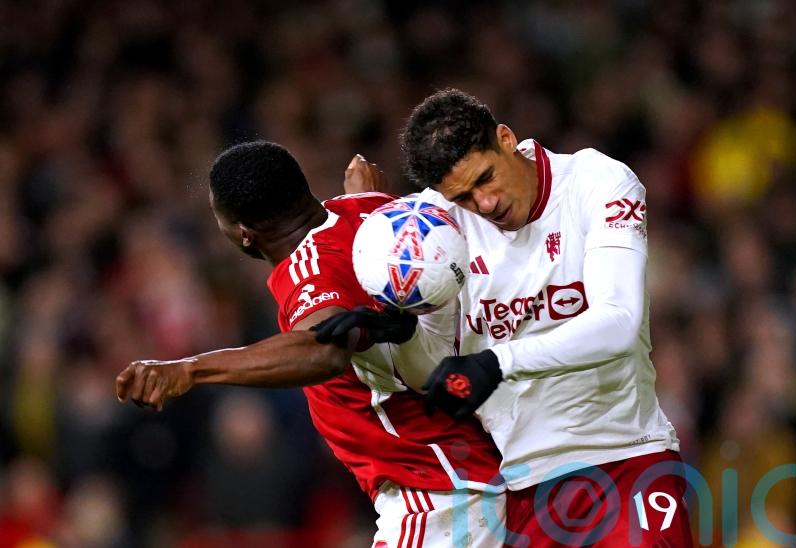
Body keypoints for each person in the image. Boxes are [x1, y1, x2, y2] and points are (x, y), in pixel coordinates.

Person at [317, 89, 694, 547]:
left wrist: (497, 362)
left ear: (506, 137)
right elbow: (437, 377)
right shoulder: (438, 230)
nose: (486, 204)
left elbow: (617, 321)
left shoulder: (597, 181)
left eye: (486, 178)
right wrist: (405, 336)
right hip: (524, 487)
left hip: (627, 460)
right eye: (465, 196)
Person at [115, 141, 506, 547]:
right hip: (466, 479)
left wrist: (190, 368)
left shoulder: (308, 270)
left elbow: (321, 349)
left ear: (244, 234)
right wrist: (367, 197)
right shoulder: (369, 214)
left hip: (437, 496)